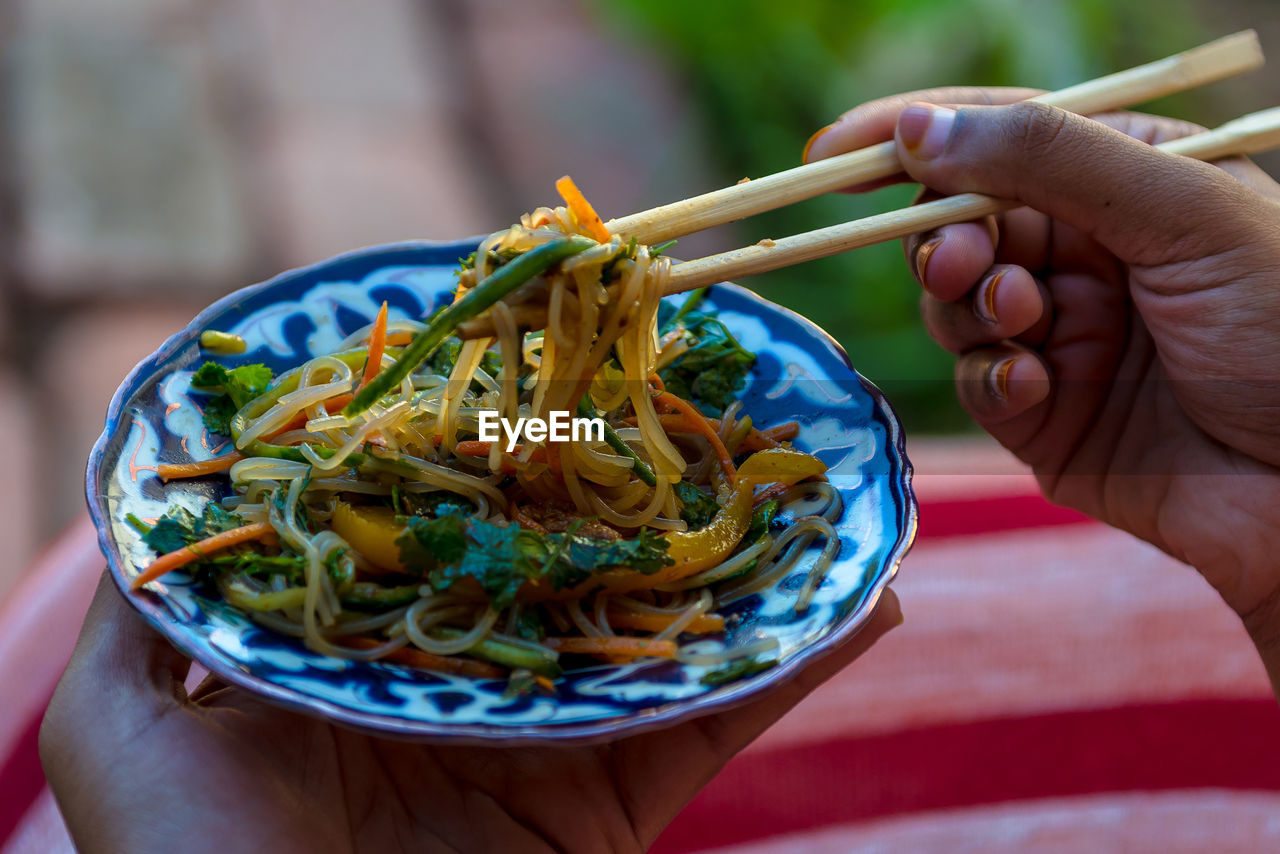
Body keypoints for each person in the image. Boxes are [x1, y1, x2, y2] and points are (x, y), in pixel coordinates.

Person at [40, 89, 1280, 852]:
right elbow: (531, 438)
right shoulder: (511, 440)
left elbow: (560, 441)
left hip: (601, 545)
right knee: (498, 441)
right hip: (493, 533)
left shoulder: (616, 459)